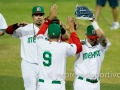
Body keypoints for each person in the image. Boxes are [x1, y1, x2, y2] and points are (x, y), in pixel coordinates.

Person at [5, 4, 58, 90]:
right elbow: (8, 31)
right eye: (36, 15)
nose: (39, 17)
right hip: (28, 65)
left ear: (44, 16)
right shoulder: (25, 28)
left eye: (41, 15)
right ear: (32, 17)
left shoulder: (49, 30)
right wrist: (17, 25)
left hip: (44, 66)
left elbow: (63, 38)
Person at [36, 16, 82, 90]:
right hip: (57, 86)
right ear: (60, 35)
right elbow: (78, 48)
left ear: (47, 35)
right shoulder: (63, 47)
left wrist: (49, 19)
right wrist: (72, 30)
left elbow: (40, 33)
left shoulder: (40, 43)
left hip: (42, 86)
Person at [73, 19, 111, 90]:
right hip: (82, 84)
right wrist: (73, 31)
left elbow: (103, 38)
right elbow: (69, 46)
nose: (94, 40)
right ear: (86, 35)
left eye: (95, 38)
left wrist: (93, 22)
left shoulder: (101, 45)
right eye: (91, 38)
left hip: (96, 84)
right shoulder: (80, 44)